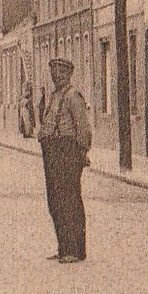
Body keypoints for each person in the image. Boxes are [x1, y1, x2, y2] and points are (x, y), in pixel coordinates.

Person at [38, 57, 92, 264]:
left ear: (69, 74)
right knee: (55, 200)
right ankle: (63, 247)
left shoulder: (73, 97)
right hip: (51, 151)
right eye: (53, 72)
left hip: (67, 151)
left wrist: (82, 152)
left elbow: (83, 128)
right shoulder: (53, 96)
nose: (56, 76)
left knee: (69, 199)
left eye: (60, 72)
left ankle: (75, 250)